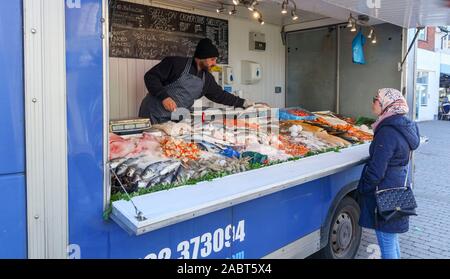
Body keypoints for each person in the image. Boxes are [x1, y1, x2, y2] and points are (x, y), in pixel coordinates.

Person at [358, 88, 420, 259]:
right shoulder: (405, 125)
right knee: (391, 241)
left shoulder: (387, 131)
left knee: (387, 243)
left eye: (376, 99)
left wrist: (363, 188)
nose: (373, 102)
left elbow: (377, 170)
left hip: (385, 192)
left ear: (387, 104)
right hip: (398, 187)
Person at [139, 38, 256, 124]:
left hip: (176, 118)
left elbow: (220, 95)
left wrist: (244, 103)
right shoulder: (176, 64)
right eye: (212, 59)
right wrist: (164, 97)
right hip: (154, 113)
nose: (215, 63)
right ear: (202, 57)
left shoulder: (207, 78)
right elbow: (151, 77)